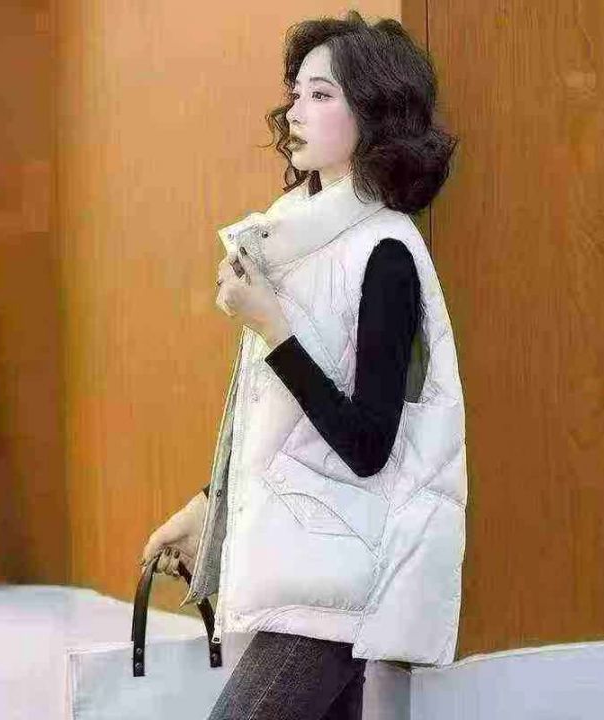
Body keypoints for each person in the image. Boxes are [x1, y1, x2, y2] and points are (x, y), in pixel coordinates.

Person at [141, 10, 464, 719]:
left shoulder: (384, 252)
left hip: (335, 587)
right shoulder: (294, 238)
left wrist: (272, 326)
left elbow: (367, 445)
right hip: (308, 574)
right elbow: (282, 426)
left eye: (322, 95)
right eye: (296, 93)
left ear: (373, 115)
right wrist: (208, 506)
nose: (296, 111)